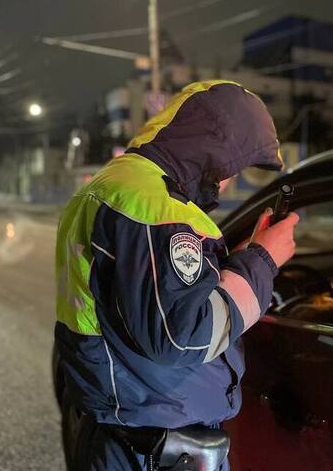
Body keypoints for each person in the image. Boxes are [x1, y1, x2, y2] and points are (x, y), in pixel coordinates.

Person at [54, 80, 299, 470]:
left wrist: (235, 262)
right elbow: (181, 337)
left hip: (126, 428)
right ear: (215, 147)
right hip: (153, 447)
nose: (229, 179)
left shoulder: (115, 185)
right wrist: (264, 260)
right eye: (235, 164)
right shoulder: (155, 206)